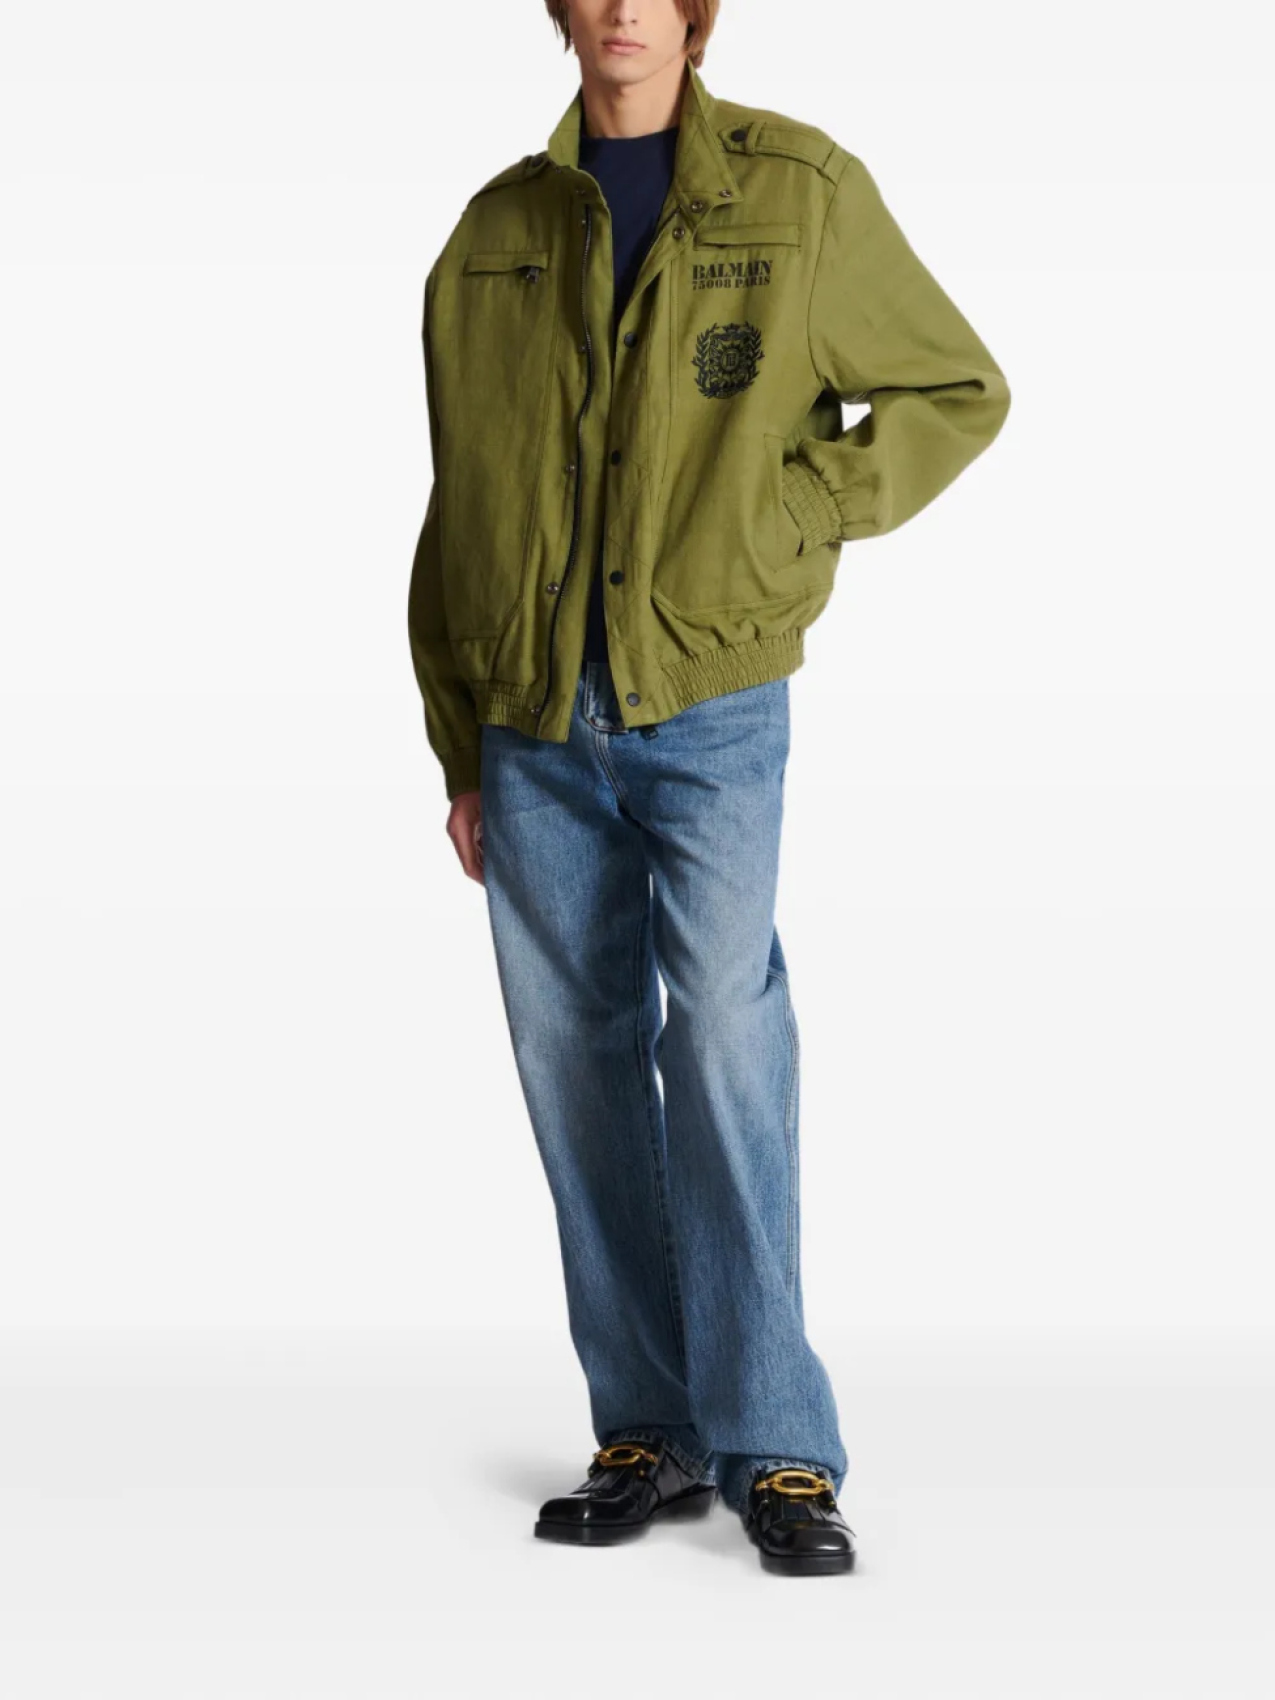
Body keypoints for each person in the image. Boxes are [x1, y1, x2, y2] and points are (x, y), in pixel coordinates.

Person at [408, 0, 1010, 1577]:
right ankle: (648, 1425)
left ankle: (778, 1443)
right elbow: (461, 502)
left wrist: (793, 511)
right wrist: (461, 737)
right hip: (534, 722)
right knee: (575, 1061)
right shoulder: (491, 240)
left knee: (730, 1038)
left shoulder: (799, 195)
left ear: (693, 14)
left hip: (712, 701)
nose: (622, 8)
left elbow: (957, 389)